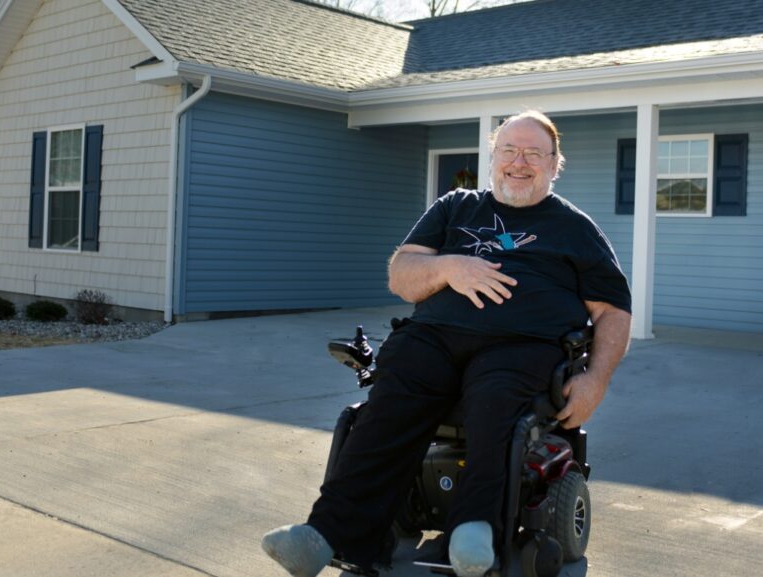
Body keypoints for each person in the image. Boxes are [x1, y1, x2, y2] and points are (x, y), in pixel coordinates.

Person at [261, 110, 632, 577]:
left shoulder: (576, 229)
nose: (520, 162)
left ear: (555, 164)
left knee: (496, 401)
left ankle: (476, 529)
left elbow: (613, 311)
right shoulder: (455, 207)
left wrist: (595, 378)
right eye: (509, 150)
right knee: (389, 400)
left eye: (534, 153)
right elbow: (403, 275)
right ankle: (329, 534)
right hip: (434, 338)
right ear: (492, 157)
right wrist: (449, 268)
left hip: (521, 347)